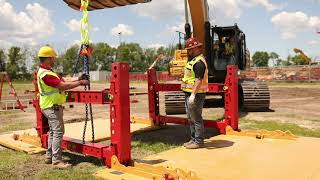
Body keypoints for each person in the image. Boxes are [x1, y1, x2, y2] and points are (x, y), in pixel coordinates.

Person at [37, 46, 89, 169]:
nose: (54, 59)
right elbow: (62, 86)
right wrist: (80, 83)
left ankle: (49, 156)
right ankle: (56, 161)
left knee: (53, 132)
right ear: (49, 58)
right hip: (51, 107)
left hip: (49, 106)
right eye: (53, 58)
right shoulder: (46, 75)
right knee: (58, 132)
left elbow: (65, 79)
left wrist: (78, 78)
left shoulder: (48, 71)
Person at [181, 37, 208, 149]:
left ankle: (198, 141)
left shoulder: (199, 63)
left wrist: (193, 95)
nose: (189, 51)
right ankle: (193, 140)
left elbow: (198, 80)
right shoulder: (193, 60)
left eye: (190, 49)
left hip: (196, 95)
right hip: (189, 93)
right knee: (190, 118)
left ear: (196, 48)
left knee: (196, 118)